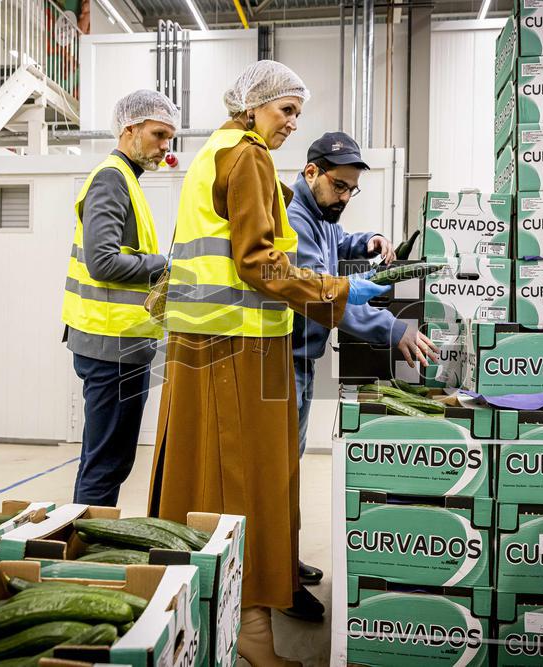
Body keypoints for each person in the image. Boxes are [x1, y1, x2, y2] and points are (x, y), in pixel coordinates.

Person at [147, 61, 388, 666]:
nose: (291, 122)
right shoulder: (248, 156)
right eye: (285, 109)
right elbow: (258, 262)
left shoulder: (214, 152)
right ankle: (252, 632)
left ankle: (207, 618)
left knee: (202, 482)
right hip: (241, 348)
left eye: (297, 113)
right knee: (250, 487)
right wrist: (336, 292)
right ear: (252, 105)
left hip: (202, 345)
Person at [285, 132, 440, 620]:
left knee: (290, 470)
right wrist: (390, 327)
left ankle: (283, 560)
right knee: (280, 474)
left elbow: (336, 242)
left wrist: (366, 239)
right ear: (311, 172)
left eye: (353, 189)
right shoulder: (296, 218)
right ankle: (277, 584)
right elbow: (323, 296)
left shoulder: (321, 214)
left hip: (301, 359)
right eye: (340, 186)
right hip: (281, 361)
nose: (345, 197)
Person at [61, 90, 178, 507]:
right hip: (109, 345)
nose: (165, 146)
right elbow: (103, 263)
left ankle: (85, 533)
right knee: (106, 464)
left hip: (121, 344)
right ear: (130, 128)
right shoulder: (111, 178)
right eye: (159, 134)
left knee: (108, 459)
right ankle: (85, 541)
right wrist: (164, 264)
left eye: (169, 138)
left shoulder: (127, 179)